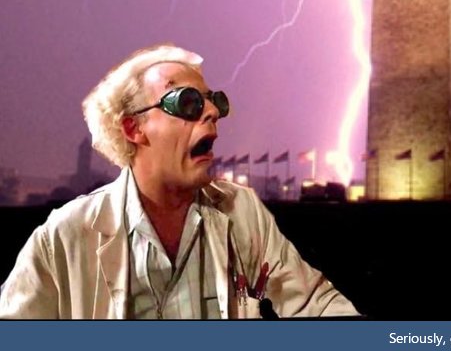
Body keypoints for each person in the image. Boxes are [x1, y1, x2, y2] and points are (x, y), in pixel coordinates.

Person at [0, 44, 359, 320]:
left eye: (213, 100)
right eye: (187, 102)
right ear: (133, 128)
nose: (213, 112)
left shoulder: (242, 212)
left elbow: (315, 303)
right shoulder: (63, 238)